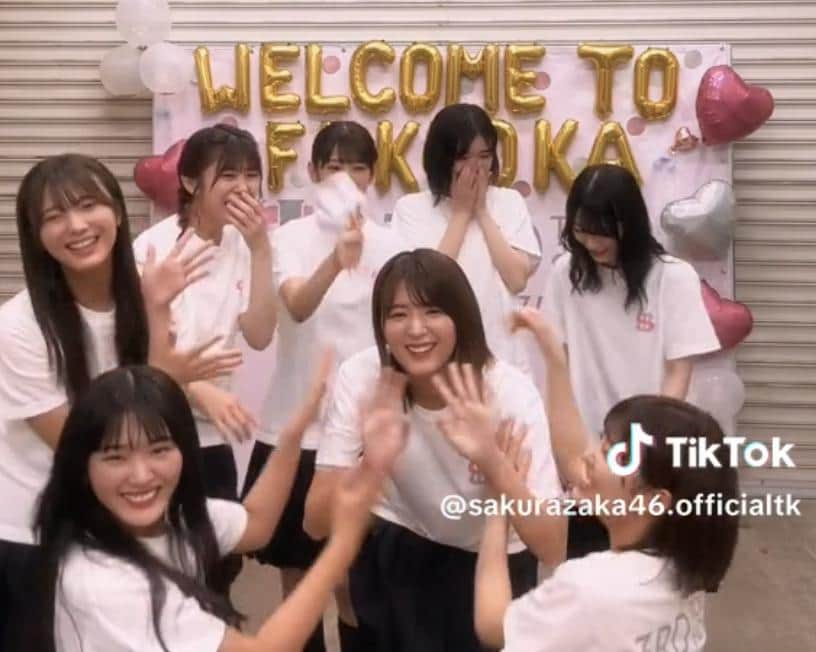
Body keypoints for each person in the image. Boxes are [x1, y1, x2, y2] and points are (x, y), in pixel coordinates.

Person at [0, 154, 239, 649]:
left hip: (114, 519)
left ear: (116, 210)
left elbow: (154, 384)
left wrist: (194, 382)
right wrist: (174, 375)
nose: (77, 225)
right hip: (33, 531)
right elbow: (80, 445)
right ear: (35, 235)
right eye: (54, 216)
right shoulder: (19, 327)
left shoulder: (147, 287)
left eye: (89, 205)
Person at [29, 359, 407, 652]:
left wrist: (294, 434)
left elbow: (255, 524)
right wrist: (343, 543)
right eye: (115, 457)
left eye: (159, 450)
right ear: (83, 466)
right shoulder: (105, 583)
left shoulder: (172, 519)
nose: (141, 475)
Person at [305, 248, 565, 651]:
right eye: (398, 315)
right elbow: (315, 523)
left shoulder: (509, 394)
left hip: (489, 557)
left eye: (433, 312)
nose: (416, 330)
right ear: (381, 326)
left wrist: (493, 462)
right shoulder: (365, 377)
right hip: (401, 537)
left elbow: (552, 547)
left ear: (462, 319)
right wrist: (371, 463)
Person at [472, 309, 739, 651]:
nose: (590, 458)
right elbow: (575, 456)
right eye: (601, 445)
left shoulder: (592, 585)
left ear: (655, 500)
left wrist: (498, 505)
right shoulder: (685, 567)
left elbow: (495, 627)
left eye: (615, 457)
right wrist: (555, 361)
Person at [247, 121, 401, 652]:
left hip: (362, 433)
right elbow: (296, 305)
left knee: (353, 581)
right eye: (334, 167)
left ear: (373, 175)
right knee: (298, 581)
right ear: (313, 173)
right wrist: (337, 260)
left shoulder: (392, 246)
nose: (347, 179)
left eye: (358, 168)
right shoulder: (288, 238)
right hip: (296, 428)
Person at [545, 163, 720, 557]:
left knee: (654, 567)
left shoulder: (674, 278)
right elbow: (558, 363)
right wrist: (569, 451)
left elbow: (678, 373)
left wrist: (644, 451)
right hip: (588, 454)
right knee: (586, 564)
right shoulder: (565, 274)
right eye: (582, 231)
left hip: (651, 458)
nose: (592, 243)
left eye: (603, 231)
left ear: (630, 223)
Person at [133, 123, 277, 505]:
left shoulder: (244, 245)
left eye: (251, 175)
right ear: (190, 181)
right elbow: (139, 351)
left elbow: (260, 335)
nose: (243, 187)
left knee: (219, 539)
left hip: (213, 435)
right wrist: (198, 388)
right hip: (156, 429)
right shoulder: (154, 248)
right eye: (228, 175)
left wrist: (261, 249)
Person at [391, 103, 541, 374]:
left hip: (502, 357)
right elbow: (424, 288)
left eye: (484, 156)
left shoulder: (509, 201)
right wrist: (461, 213)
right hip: (434, 359)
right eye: (463, 157)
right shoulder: (411, 208)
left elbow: (517, 280)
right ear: (441, 158)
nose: (475, 167)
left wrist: (481, 211)